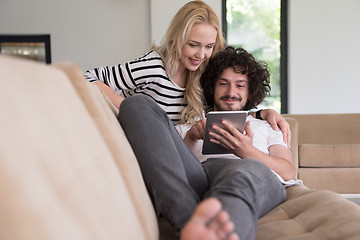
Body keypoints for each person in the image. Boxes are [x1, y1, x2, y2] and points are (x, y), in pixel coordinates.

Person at [117, 46, 300, 239]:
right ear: (212, 87)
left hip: (251, 177)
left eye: (240, 85)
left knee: (244, 170)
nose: (231, 92)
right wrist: (191, 138)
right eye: (223, 83)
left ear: (250, 90)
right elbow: (169, 165)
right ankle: (192, 224)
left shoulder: (266, 125)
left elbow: (288, 171)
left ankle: (210, 229)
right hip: (200, 177)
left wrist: (247, 151)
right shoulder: (189, 126)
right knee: (136, 104)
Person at [84, 0, 291, 146]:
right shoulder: (154, 66)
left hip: (176, 150)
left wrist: (263, 113)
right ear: (177, 38)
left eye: (209, 46)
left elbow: (220, 109)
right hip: (146, 145)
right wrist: (133, 110)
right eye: (193, 45)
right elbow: (85, 77)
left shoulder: (200, 74)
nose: (201, 54)